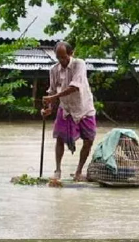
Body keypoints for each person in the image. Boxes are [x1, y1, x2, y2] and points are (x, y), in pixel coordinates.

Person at [41, 41, 97, 181]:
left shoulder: (79, 64)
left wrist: (53, 97)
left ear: (71, 54)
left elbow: (75, 87)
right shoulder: (54, 70)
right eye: (58, 58)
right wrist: (48, 108)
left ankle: (78, 172)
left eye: (64, 57)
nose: (61, 61)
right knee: (59, 138)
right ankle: (57, 170)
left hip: (84, 107)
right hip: (66, 109)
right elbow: (52, 90)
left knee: (89, 140)